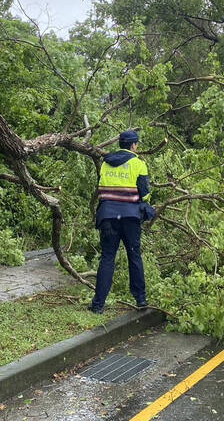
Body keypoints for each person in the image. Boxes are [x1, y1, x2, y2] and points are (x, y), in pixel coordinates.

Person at [89, 130, 155, 314]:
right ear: (133, 145)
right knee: (134, 255)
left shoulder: (105, 163)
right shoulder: (139, 164)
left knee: (107, 257)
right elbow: (145, 194)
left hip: (108, 217)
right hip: (130, 218)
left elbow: (101, 188)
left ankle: (98, 305)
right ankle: (141, 299)